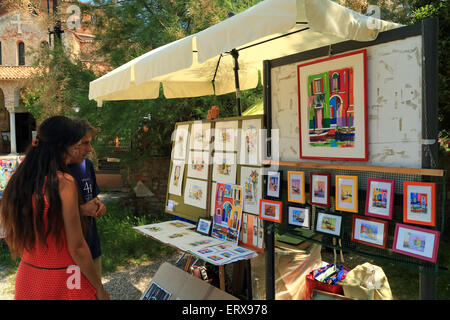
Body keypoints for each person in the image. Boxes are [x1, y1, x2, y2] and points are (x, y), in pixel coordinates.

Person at [0, 115, 109, 300]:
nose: (81, 150)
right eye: (76, 146)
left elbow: (9, 232)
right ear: (62, 147)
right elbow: (77, 247)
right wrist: (99, 287)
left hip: (28, 275)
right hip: (63, 276)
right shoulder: (64, 183)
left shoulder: (19, 180)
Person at [67, 119, 106, 279]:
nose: (90, 148)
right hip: (71, 252)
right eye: (84, 143)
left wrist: (99, 206)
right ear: (69, 143)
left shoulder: (86, 165)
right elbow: (48, 213)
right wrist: (82, 210)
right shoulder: (58, 170)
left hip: (91, 244)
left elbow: (93, 197)